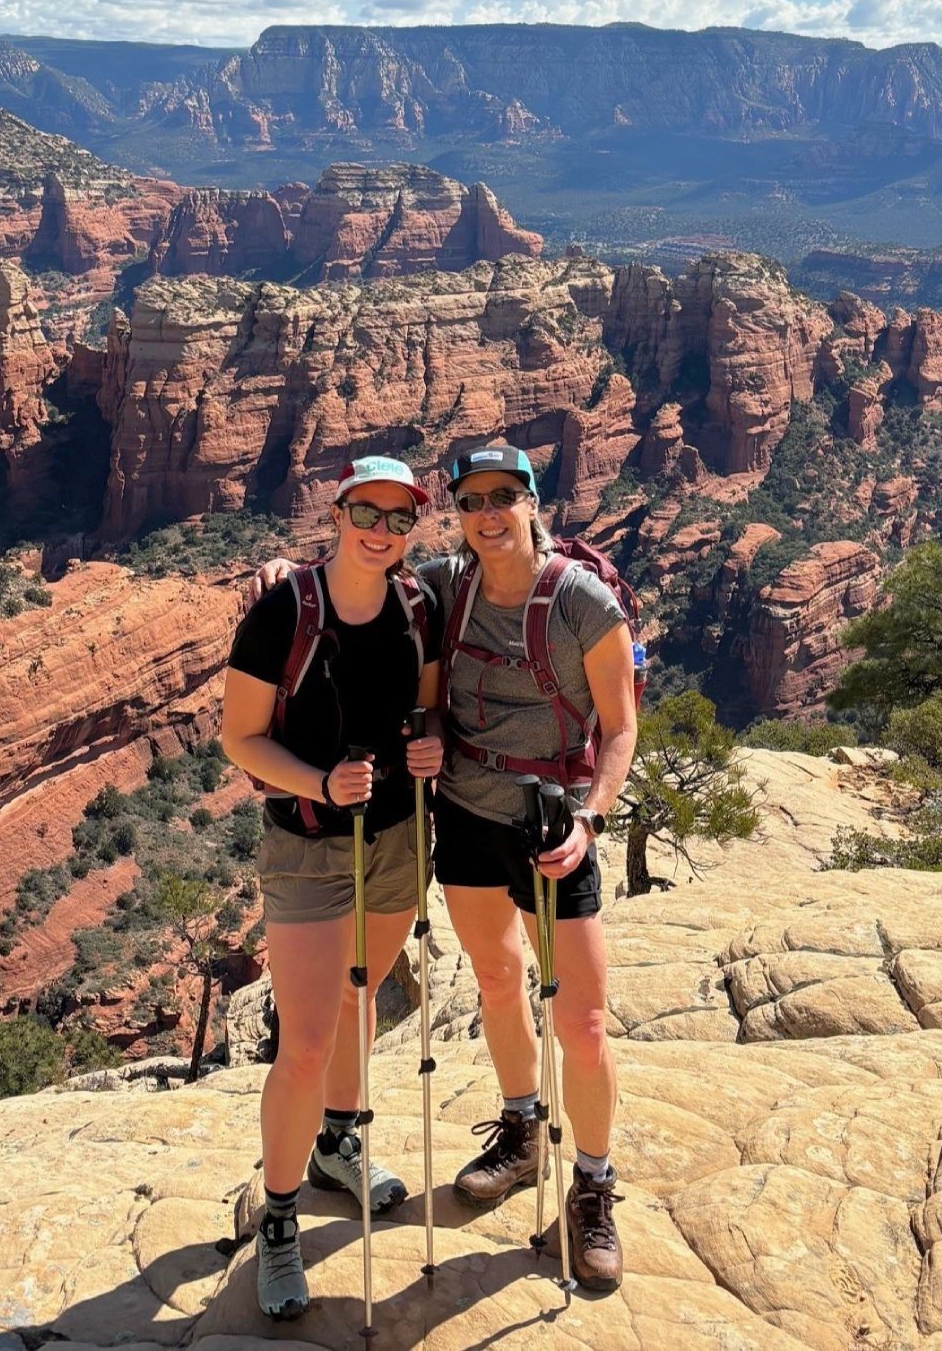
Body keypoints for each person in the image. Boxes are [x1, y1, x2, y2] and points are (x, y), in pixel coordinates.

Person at [252, 444, 638, 1291]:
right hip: (463, 819)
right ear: (457, 513)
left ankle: (596, 1185)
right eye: (473, 500)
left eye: (507, 495)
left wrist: (592, 816)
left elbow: (621, 726)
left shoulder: (582, 600)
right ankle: (521, 1128)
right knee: (498, 978)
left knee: (582, 1024)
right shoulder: (444, 584)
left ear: (535, 501)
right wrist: (285, 571)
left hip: (553, 827)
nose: (490, 512)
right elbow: (358, 579)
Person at [220, 455, 445, 1321]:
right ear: (340, 509)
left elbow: (424, 708)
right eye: (366, 511)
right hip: (309, 847)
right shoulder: (284, 611)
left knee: (361, 1001)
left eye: (398, 517)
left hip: (394, 839)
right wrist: (319, 784)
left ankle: (338, 1147)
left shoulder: (416, 606)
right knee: (306, 1041)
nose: (380, 530)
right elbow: (239, 737)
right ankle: (279, 1220)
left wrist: (427, 746)